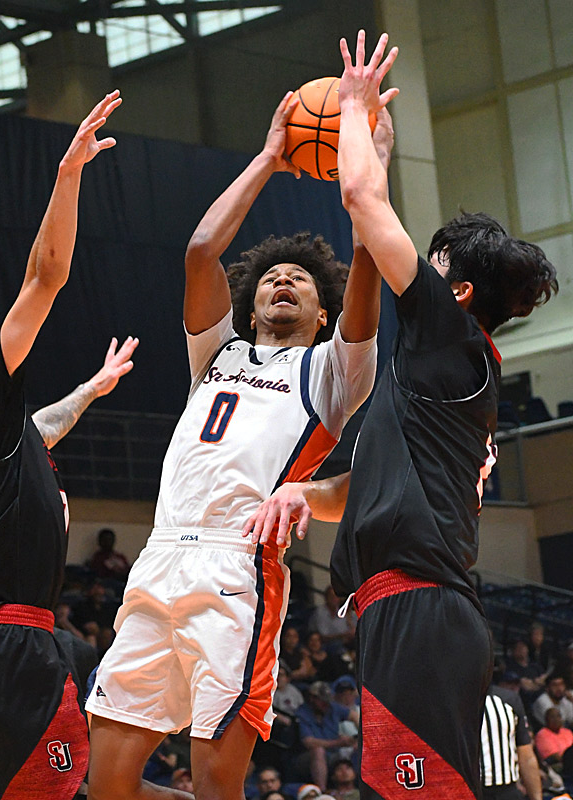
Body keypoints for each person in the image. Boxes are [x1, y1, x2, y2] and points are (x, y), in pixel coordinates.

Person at [245, 30, 558, 800]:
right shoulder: (438, 372)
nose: (414, 264)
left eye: (434, 262)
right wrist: (303, 494)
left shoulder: (449, 336)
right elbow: (369, 483)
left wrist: (355, 112)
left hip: (419, 610)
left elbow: (359, 200)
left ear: (455, 292)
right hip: (412, 610)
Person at [86, 92, 382, 800]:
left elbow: (370, 259)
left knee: (219, 785)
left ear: (322, 314)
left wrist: (373, 163)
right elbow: (200, 251)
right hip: (157, 559)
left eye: (303, 281)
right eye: (275, 277)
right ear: (249, 306)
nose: (285, 280)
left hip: (238, 569)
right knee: (108, 787)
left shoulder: (333, 372)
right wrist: (271, 157)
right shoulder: (215, 354)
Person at [0, 92, 136, 800]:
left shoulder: (2, 436)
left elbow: (45, 426)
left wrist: (94, 388)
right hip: (12, 645)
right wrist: (67, 175)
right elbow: (45, 278)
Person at [480, 683, 542, 800]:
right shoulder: (452, 701)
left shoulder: (508, 699)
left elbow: (526, 756)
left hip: (507, 791)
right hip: (469, 789)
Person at [295, 682, 358, 790]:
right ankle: (322, 791)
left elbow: (354, 716)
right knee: (318, 751)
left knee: (358, 748)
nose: (326, 704)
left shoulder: (332, 707)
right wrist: (338, 742)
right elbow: (308, 742)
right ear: (312, 698)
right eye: (322, 701)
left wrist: (360, 738)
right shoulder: (303, 713)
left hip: (335, 753)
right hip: (307, 757)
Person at [534, 708, 573, 773]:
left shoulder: (567, 732)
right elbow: (555, 757)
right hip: (557, 766)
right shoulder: (542, 734)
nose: (556, 719)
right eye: (552, 717)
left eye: (558, 716)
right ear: (546, 720)